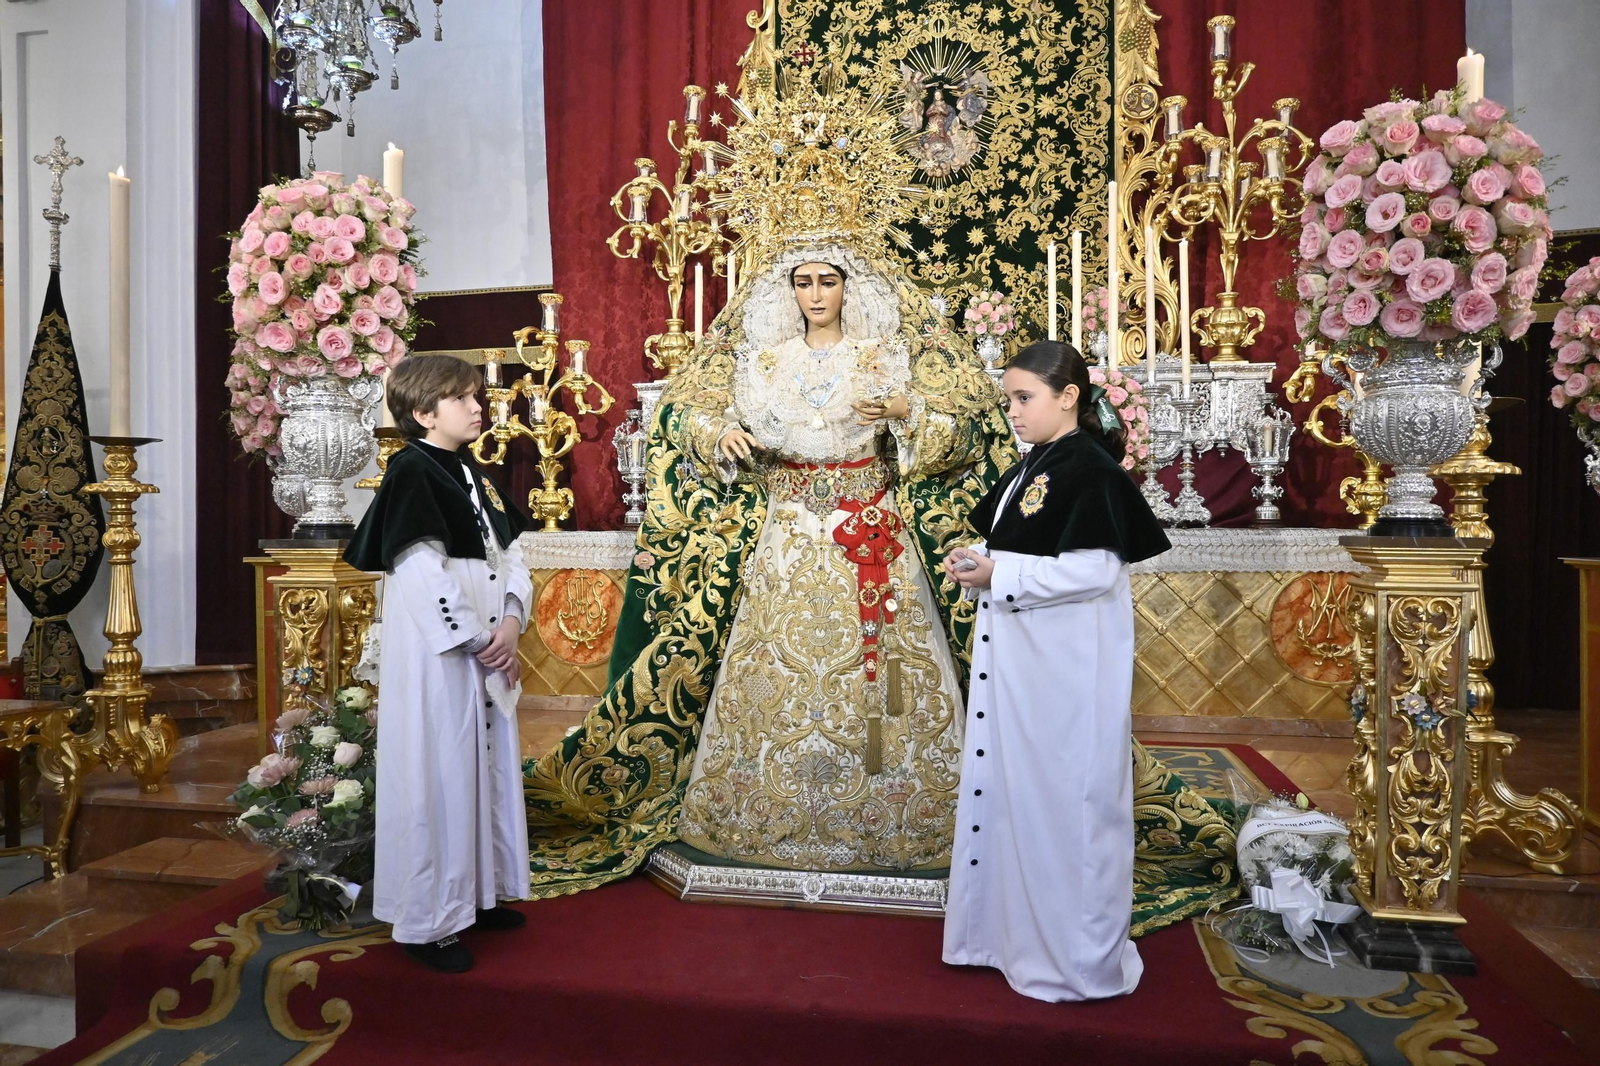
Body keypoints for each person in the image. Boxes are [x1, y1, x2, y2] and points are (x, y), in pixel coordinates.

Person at [523, 241, 1013, 887]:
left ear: (849, 287)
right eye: (803, 282)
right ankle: (755, 809)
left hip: (868, 531)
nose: (815, 294)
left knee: (883, 671)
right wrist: (718, 433)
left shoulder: (887, 355)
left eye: (828, 280)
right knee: (772, 671)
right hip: (784, 532)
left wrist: (906, 412)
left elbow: (967, 431)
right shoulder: (763, 360)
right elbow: (681, 413)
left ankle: (900, 811)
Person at [941, 340, 1172, 1002]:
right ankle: (1006, 938)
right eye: (1009, 399)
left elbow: (1095, 568)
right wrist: (980, 556)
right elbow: (1019, 543)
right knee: (1020, 798)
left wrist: (999, 572)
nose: (1012, 412)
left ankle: (1070, 958)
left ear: (1067, 396)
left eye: (1023, 399)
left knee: (1065, 806)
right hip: (1025, 664)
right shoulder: (1037, 464)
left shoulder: (1090, 469)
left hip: (1064, 671)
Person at [344, 354, 533, 973]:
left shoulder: (471, 474)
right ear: (424, 412)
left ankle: (477, 893)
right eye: (463, 398)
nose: (480, 407)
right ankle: (429, 918)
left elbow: (512, 557)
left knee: (481, 770)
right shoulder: (411, 473)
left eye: (477, 397)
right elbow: (422, 571)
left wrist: (509, 620)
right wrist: (479, 639)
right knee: (439, 773)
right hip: (442, 655)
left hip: (486, 645)